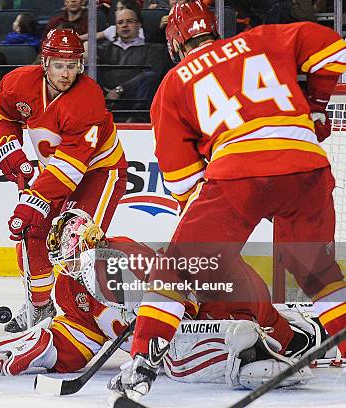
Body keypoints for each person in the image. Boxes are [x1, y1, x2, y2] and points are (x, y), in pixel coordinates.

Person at [109, 1, 346, 404]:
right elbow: (334, 52)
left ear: (175, 44)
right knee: (315, 271)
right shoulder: (264, 39)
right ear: (215, 30)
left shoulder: (173, 83)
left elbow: (184, 181)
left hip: (237, 171)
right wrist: (317, 109)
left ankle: (141, 363)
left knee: (180, 265)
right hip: (307, 166)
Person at [0, 210, 320, 390]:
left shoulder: (121, 254)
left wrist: (153, 319)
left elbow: (179, 297)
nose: (70, 265)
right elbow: (82, 335)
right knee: (178, 361)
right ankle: (256, 349)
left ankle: (291, 337)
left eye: (74, 254)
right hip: (197, 325)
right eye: (65, 260)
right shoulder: (70, 287)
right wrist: (48, 348)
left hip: (222, 300)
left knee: (182, 359)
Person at [0, 28, 127, 333]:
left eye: (72, 65)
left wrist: (30, 200)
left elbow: (71, 169)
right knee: (33, 232)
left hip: (99, 173)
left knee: (75, 241)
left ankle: (100, 313)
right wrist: (9, 149)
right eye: (59, 65)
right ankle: (39, 307)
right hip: (55, 173)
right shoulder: (19, 83)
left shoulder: (88, 99)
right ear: (44, 62)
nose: (66, 73)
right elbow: (2, 115)